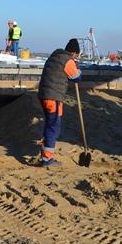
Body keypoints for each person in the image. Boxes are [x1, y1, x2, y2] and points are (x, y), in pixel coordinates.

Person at [37, 38, 82, 167]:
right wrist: (78, 69)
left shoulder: (55, 56)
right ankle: (47, 159)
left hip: (43, 95)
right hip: (53, 97)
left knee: (49, 124)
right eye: (76, 55)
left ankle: (45, 152)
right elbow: (76, 77)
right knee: (53, 127)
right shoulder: (68, 61)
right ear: (74, 53)